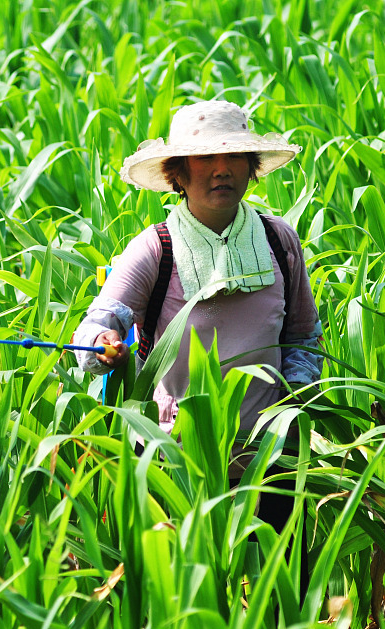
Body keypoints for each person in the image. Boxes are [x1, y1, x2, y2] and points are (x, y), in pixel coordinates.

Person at [73, 100, 323, 532]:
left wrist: (290, 406)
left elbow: (303, 334)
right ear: (179, 174)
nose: (221, 169)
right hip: (177, 465)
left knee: (285, 591)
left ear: (251, 169)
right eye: (205, 158)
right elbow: (102, 319)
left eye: (233, 158)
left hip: (270, 463)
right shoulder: (157, 248)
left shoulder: (278, 239)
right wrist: (101, 347)